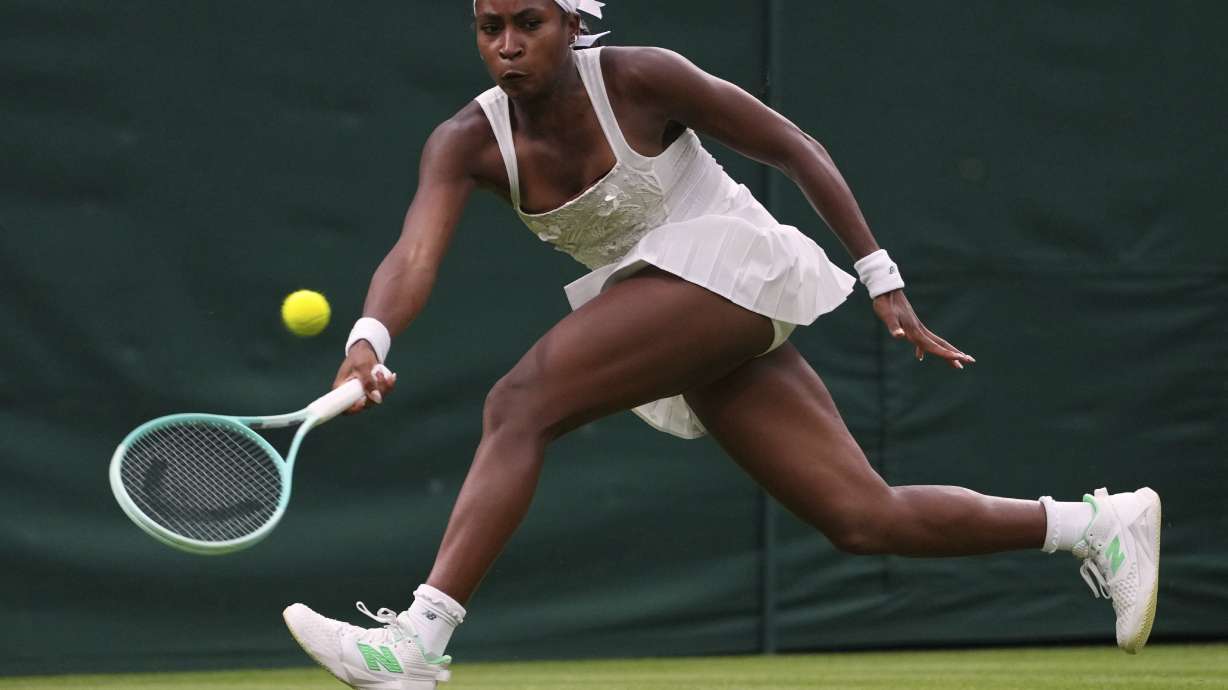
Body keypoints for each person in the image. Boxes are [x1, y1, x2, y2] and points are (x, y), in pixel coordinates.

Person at [282, 1, 1162, 687]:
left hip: (732, 265)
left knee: (518, 403)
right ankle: (1093, 525)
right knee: (862, 516)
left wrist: (880, 273)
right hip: (674, 307)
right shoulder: (466, 141)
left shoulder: (642, 77)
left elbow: (794, 147)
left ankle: (418, 642)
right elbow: (414, 252)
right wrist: (369, 339)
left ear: (573, 24)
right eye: (490, 28)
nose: (508, 43)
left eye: (528, 23)